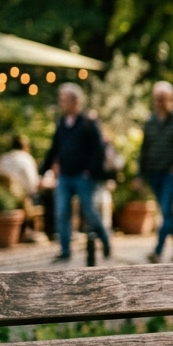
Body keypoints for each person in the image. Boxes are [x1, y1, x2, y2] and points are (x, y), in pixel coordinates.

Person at [41, 83, 112, 262]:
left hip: (83, 176)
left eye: (64, 99)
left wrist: (90, 171)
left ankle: (104, 238)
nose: (61, 102)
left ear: (74, 101)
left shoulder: (88, 121)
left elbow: (99, 149)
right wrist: (43, 170)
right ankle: (65, 250)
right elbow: (54, 148)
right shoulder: (62, 123)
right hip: (65, 175)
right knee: (62, 212)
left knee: (89, 211)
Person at [139, 81, 173, 263]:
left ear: (171, 98)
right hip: (154, 173)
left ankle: (158, 250)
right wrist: (140, 174)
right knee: (169, 211)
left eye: (163, 99)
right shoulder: (150, 121)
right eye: (157, 99)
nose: (159, 102)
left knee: (165, 210)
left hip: (171, 174)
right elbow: (144, 149)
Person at [0, 135, 40, 201]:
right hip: (22, 199)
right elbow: (32, 184)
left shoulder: (2, 158)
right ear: (25, 146)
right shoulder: (27, 159)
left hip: (2, 197)